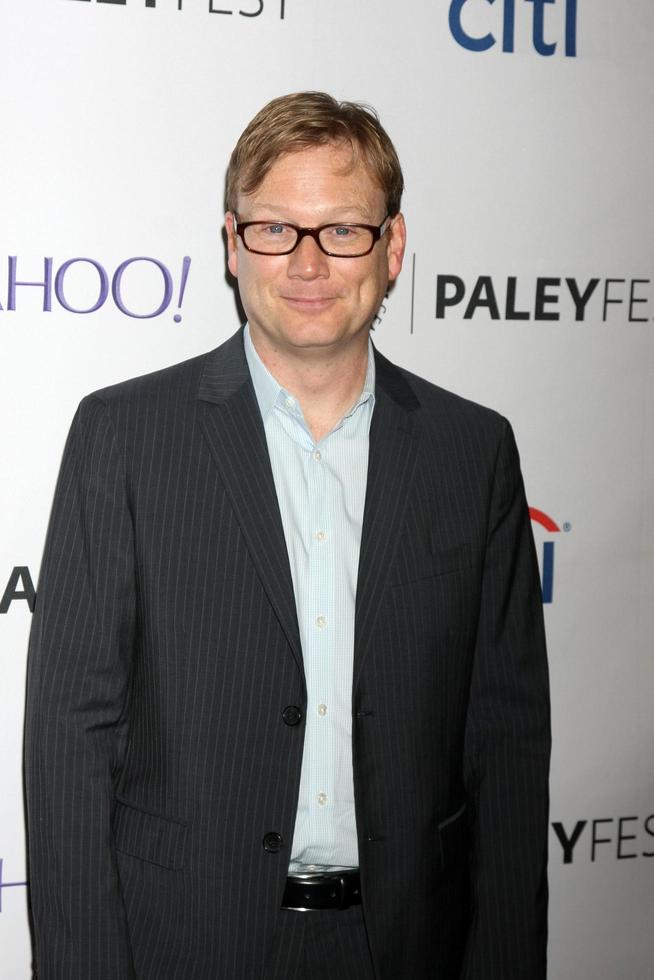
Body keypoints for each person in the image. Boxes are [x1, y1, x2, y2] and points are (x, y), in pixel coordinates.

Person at [25, 91, 550, 980]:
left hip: (408, 941)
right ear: (233, 245)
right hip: (185, 944)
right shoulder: (124, 436)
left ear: (392, 247)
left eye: (342, 229)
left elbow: (503, 742)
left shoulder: (474, 452)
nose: (308, 263)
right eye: (275, 229)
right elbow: (70, 737)